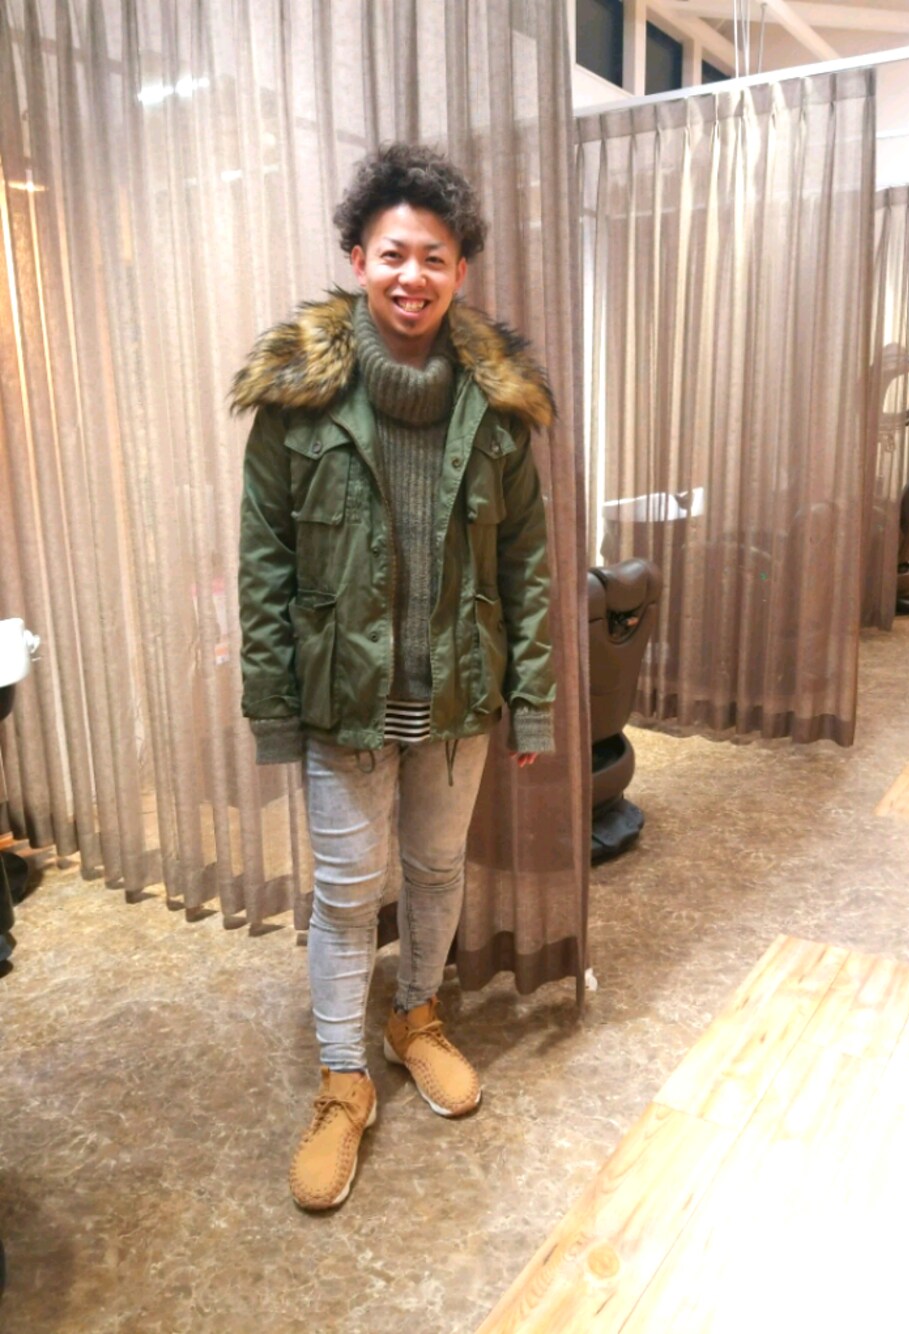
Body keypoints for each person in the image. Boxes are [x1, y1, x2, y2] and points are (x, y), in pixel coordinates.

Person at [232, 143, 556, 1211]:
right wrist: (275, 709)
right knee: (342, 894)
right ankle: (342, 1080)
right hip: (342, 700)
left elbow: (526, 564)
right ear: (358, 258)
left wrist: (534, 699)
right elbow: (266, 564)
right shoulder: (297, 403)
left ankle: (414, 1016)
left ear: (461, 270)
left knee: (434, 869)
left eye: (435, 257)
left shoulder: (497, 410)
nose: (413, 275)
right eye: (393, 254)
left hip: (457, 698)